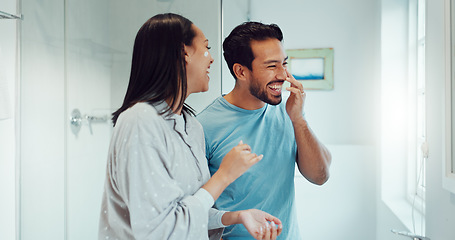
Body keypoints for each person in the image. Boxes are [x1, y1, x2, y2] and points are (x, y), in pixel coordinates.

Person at [98, 14, 283, 240]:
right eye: (206, 47)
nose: (212, 59)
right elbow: (161, 231)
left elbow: (189, 212)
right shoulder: (140, 121)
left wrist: (235, 216)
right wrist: (224, 175)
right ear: (184, 53)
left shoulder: (191, 125)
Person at [197, 21, 332, 239]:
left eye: (284, 63)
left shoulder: (289, 113)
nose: (283, 75)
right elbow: (195, 209)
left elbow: (320, 176)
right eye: (271, 66)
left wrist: (298, 119)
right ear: (240, 71)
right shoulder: (204, 126)